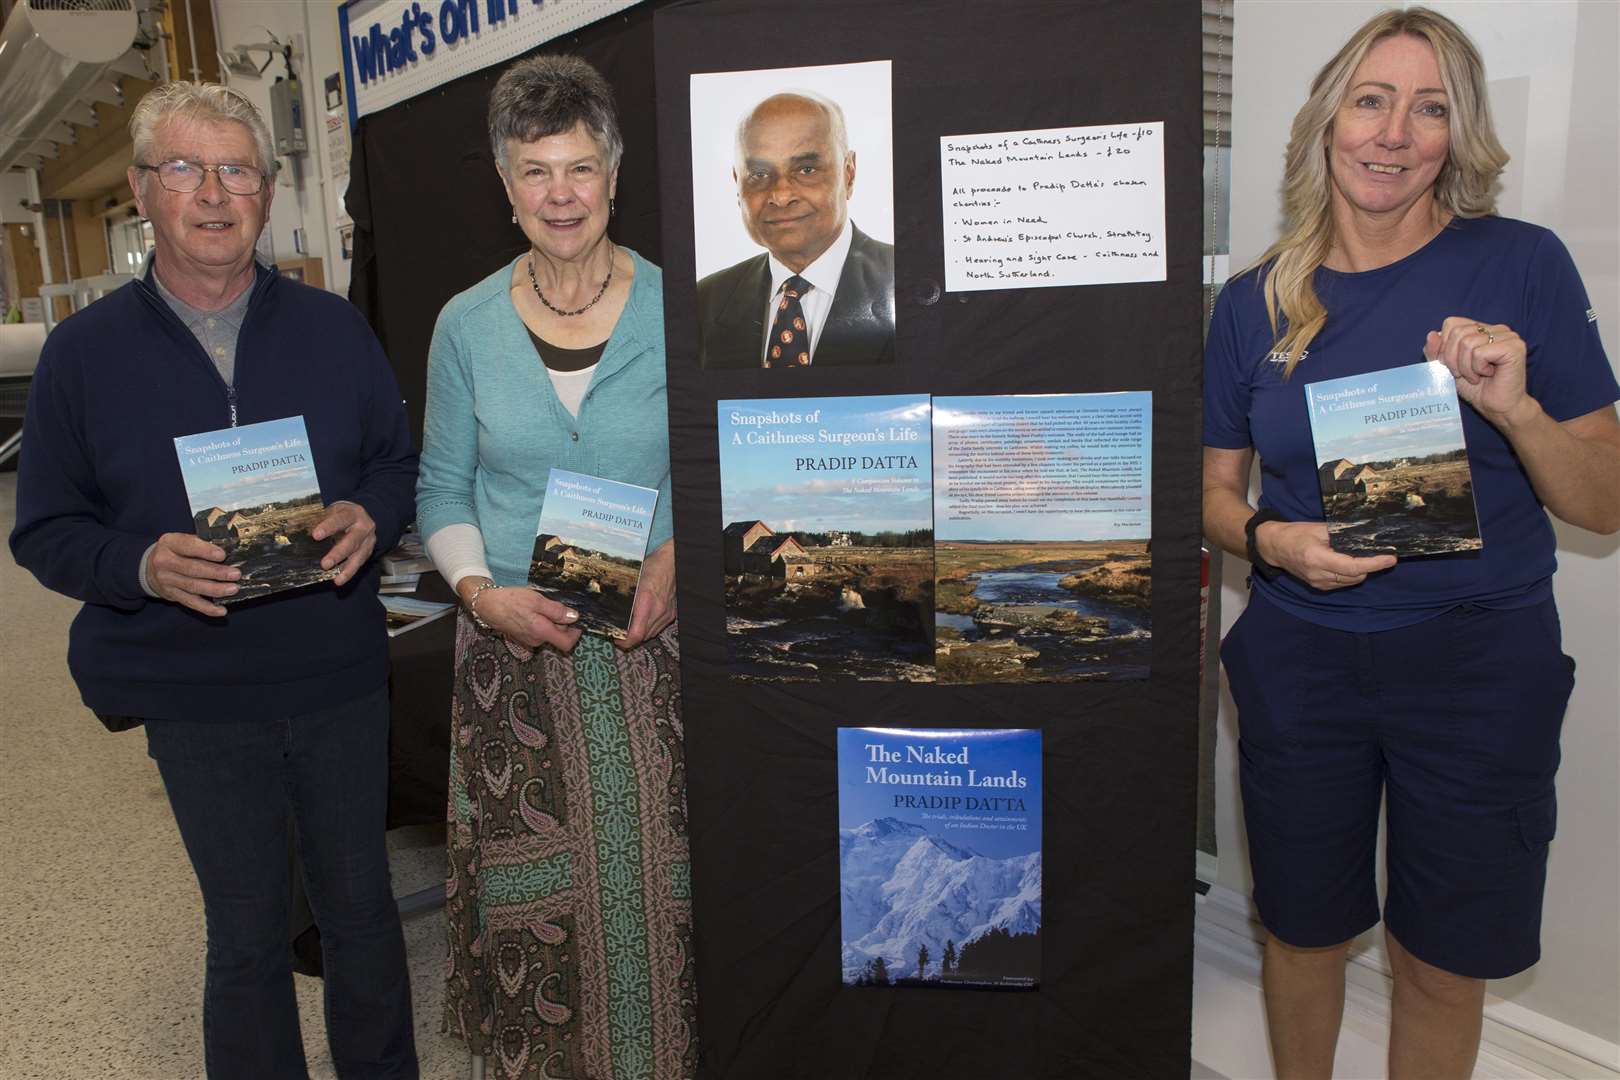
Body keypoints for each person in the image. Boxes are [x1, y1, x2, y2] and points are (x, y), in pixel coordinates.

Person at [1204, 8, 1620, 1078]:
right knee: (1300, 932)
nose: (1393, 133)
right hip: (1303, 660)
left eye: (1429, 109)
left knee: (1441, 958)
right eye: (1372, 100)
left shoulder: (1519, 266)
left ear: (1458, 137)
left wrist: (1518, 410)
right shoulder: (1254, 301)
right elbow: (1211, 492)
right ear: (1328, 121)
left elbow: (1605, 504)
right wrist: (1270, 540)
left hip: (1479, 665)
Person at [9, 82, 419, 1078]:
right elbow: (46, 531)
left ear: (268, 193)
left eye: (237, 168)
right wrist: (138, 563)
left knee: (361, 914)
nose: (213, 191)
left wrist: (373, 509)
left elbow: (396, 463)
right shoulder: (82, 357)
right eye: (184, 167)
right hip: (198, 694)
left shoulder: (333, 329)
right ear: (144, 192)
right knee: (244, 935)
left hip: (336, 678)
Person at [415, 55, 696, 1080]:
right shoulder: (466, 325)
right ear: (505, 185)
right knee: (536, 905)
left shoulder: (686, 307)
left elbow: (724, 475)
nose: (561, 194)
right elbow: (441, 491)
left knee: (667, 896)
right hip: (514, 662)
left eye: (579, 168)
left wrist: (675, 557)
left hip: (652, 654)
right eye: (536, 172)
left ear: (614, 176)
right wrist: (481, 595)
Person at [698, 90, 895, 369]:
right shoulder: (703, 304)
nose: (780, 195)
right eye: (759, 174)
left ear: (849, 173)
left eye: (806, 170)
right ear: (737, 184)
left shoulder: (906, 280)